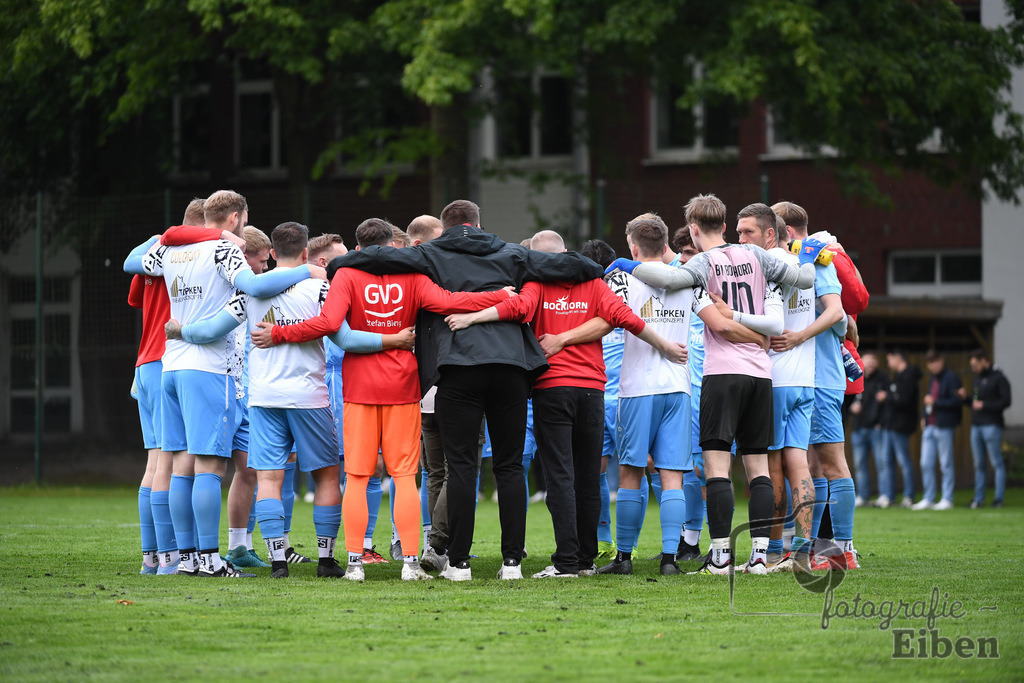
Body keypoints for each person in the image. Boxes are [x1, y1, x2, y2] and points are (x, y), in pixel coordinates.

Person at [323, 200, 603, 581]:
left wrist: (337, 264)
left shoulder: (430, 253)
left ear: (444, 226)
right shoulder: (512, 252)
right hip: (511, 366)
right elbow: (562, 265)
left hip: (459, 365)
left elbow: (378, 260)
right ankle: (512, 565)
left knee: (462, 468)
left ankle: (459, 564)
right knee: (509, 466)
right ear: (478, 222)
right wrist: (593, 265)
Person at [252, 217, 514, 581]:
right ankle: (409, 564)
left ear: (358, 248)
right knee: (405, 477)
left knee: (357, 477)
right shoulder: (414, 278)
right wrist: (500, 295)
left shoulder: (345, 276)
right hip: (402, 387)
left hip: (359, 388)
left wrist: (280, 333)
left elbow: (328, 324)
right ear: (393, 244)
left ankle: (355, 564)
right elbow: (453, 301)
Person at [447, 227, 686, 578]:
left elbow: (516, 308)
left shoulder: (538, 283)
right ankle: (587, 560)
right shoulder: (593, 283)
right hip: (592, 391)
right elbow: (625, 318)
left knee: (560, 476)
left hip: (552, 389)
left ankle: (566, 562)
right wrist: (664, 345)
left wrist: (471, 316)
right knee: (589, 477)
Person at [608, 196, 822, 576]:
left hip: (722, 373)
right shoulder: (758, 256)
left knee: (717, 467)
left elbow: (670, 278)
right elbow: (805, 279)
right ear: (724, 226)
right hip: (761, 374)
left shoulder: (703, 263)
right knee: (757, 466)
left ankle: (720, 555)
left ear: (692, 229)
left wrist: (628, 263)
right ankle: (758, 556)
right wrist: (805, 254)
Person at [125, 189, 323, 577]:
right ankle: (211, 559)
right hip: (209, 368)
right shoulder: (222, 250)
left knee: (180, 466)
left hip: (172, 366)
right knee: (210, 467)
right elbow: (258, 288)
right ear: (235, 218)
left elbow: (133, 261)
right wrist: (306, 271)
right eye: (245, 221)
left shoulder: (173, 249)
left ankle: (185, 560)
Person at [126, 198, 211, 575]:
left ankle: (152, 557)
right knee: (171, 464)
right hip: (169, 361)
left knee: (154, 462)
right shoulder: (192, 259)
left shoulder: (154, 255)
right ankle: (172, 558)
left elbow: (136, 298)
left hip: (145, 363)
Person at [771, 201, 855, 571]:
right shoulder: (797, 261)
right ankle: (816, 547)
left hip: (821, 377)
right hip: (810, 375)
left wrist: (799, 337)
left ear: (785, 231)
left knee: (832, 464)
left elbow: (836, 312)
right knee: (810, 465)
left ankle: (843, 549)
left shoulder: (817, 259)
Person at [912, 349, 963, 510]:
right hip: (930, 426)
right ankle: (929, 497)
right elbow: (928, 401)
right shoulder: (932, 379)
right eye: (930, 362)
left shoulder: (951, 378)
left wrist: (936, 403)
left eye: (936, 361)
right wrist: (924, 418)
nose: (933, 365)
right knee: (926, 463)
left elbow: (956, 402)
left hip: (944, 426)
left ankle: (947, 498)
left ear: (941, 361)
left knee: (946, 463)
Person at [963, 349, 1012, 508]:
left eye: (975, 364)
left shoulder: (999, 378)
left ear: (984, 360)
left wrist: (985, 405)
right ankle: (979, 499)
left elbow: (1006, 401)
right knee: (979, 465)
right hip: (976, 426)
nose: (974, 368)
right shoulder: (977, 379)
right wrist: (966, 399)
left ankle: (998, 499)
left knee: (996, 463)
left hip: (992, 425)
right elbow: (975, 402)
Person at [879, 349, 920, 508]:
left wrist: (887, 397)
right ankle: (889, 497)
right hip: (890, 425)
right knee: (886, 461)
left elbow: (903, 401)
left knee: (904, 461)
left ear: (898, 358)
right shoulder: (896, 377)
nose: (888, 364)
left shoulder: (909, 378)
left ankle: (908, 496)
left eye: (890, 359)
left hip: (901, 425)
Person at [850, 352, 892, 507]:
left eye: (873, 360)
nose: (871, 364)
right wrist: (851, 407)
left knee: (882, 462)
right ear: (862, 362)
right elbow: (846, 398)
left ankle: (885, 496)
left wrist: (882, 422)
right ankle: (863, 496)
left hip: (877, 428)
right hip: (859, 427)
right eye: (868, 361)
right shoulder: (855, 376)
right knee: (860, 464)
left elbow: (889, 402)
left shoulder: (884, 379)